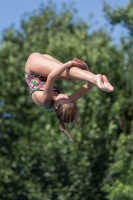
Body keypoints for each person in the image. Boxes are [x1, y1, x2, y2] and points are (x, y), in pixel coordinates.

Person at [25, 53, 114, 141]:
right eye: (68, 98)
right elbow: (89, 85)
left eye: (64, 98)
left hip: (33, 66)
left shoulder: (45, 101)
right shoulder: (67, 102)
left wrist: (69, 63)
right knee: (72, 77)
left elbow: (52, 76)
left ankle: (96, 78)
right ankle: (99, 79)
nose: (66, 95)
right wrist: (86, 68)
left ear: (56, 106)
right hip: (44, 67)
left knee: (69, 77)